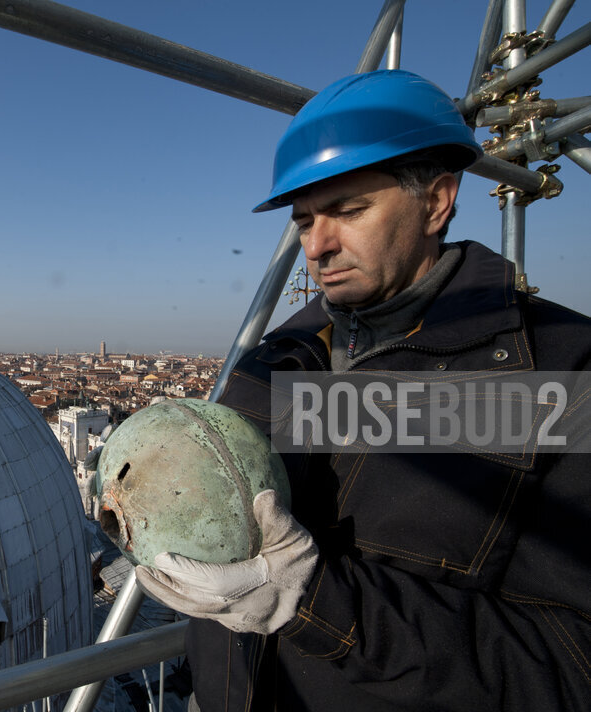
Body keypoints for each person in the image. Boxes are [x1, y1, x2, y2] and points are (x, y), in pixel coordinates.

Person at [135, 69, 591, 711]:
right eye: (303, 221)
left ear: (437, 202)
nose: (317, 247)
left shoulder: (563, 377)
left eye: (349, 211)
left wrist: (317, 599)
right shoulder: (276, 363)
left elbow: (573, 667)